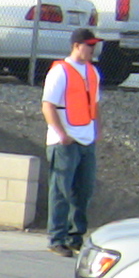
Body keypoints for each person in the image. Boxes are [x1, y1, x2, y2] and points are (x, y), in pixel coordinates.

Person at [41, 27, 102, 256]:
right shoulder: (60, 72)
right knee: (61, 191)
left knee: (83, 191)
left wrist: (97, 130)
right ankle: (56, 238)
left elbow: (95, 104)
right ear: (76, 46)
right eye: (89, 45)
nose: (93, 49)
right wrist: (61, 134)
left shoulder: (93, 72)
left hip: (87, 139)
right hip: (65, 142)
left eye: (94, 45)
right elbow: (48, 105)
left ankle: (75, 237)